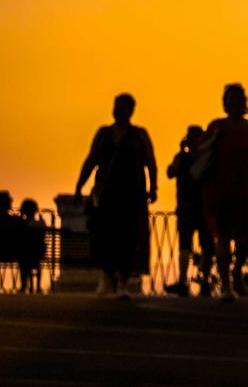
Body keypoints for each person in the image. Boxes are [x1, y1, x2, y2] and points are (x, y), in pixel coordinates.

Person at [76, 93, 158, 298]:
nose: (119, 111)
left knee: (128, 238)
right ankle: (106, 277)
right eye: (117, 106)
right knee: (104, 236)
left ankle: (123, 281)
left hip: (132, 194)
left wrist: (154, 187)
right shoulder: (104, 134)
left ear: (131, 111)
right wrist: (79, 186)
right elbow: (91, 160)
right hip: (107, 194)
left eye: (124, 107)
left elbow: (150, 162)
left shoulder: (139, 135)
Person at [201, 84, 248, 301]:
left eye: (239, 98)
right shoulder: (216, 127)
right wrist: (214, 139)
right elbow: (200, 151)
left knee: (243, 240)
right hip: (218, 191)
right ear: (225, 102)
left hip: (242, 191)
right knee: (222, 238)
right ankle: (226, 285)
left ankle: (237, 271)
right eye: (231, 98)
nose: (235, 102)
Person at [165, 125, 211, 297]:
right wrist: (180, 152)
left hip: (202, 207)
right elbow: (170, 172)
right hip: (187, 207)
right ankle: (184, 280)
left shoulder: (206, 159)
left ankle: (204, 281)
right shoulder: (183, 158)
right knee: (185, 244)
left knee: (207, 246)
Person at [18, 198, 48, 293]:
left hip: (24, 254)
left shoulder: (21, 223)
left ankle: (24, 286)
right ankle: (38, 286)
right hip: (38, 253)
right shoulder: (40, 223)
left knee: (24, 262)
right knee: (36, 262)